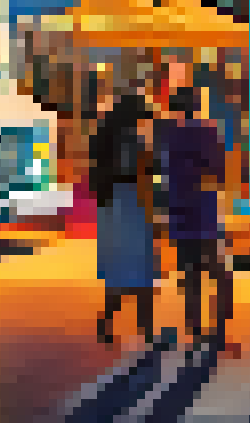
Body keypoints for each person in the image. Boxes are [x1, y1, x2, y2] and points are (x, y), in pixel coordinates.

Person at [161, 84, 233, 351]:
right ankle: (221, 328)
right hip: (204, 210)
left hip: (180, 209)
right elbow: (220, 172)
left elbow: (166, 174)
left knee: (190, 273)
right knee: (218, 272)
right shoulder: (209, 132)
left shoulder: (170, 135)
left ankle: (194, 331)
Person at [90, 91, 160, 345]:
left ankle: (106, 322)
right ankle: (149, 330)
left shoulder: (102, 139)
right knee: (143, 271)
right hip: (133, 203)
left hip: (110, 207)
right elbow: (146, 169)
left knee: (118, 274)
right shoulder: (134, 140)